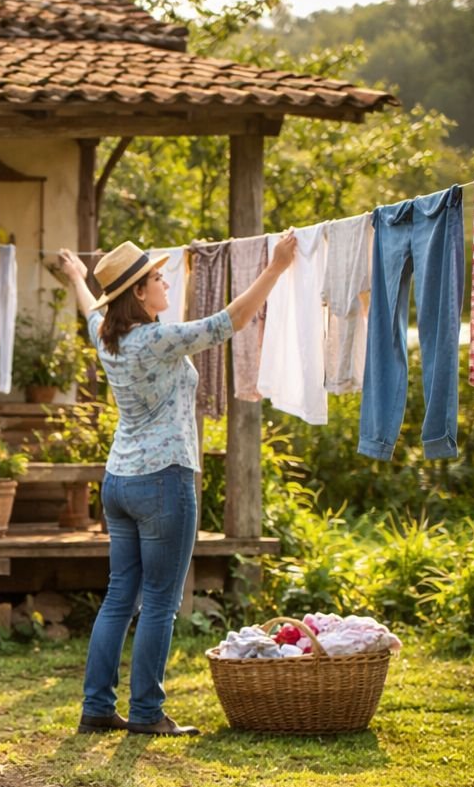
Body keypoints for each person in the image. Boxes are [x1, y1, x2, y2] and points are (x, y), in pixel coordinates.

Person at [56, 234, 295, 736]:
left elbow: (89, 313)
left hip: (119, 481)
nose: (166, 281)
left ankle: (96, 708)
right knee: (162, 602)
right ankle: (145, 713)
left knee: (120, 598)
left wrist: (79, 277)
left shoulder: (108, 336)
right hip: (163, 480)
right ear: (139, 294)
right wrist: (275, 268)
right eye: (158, 277)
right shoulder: (156, 340)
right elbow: (226, 323)